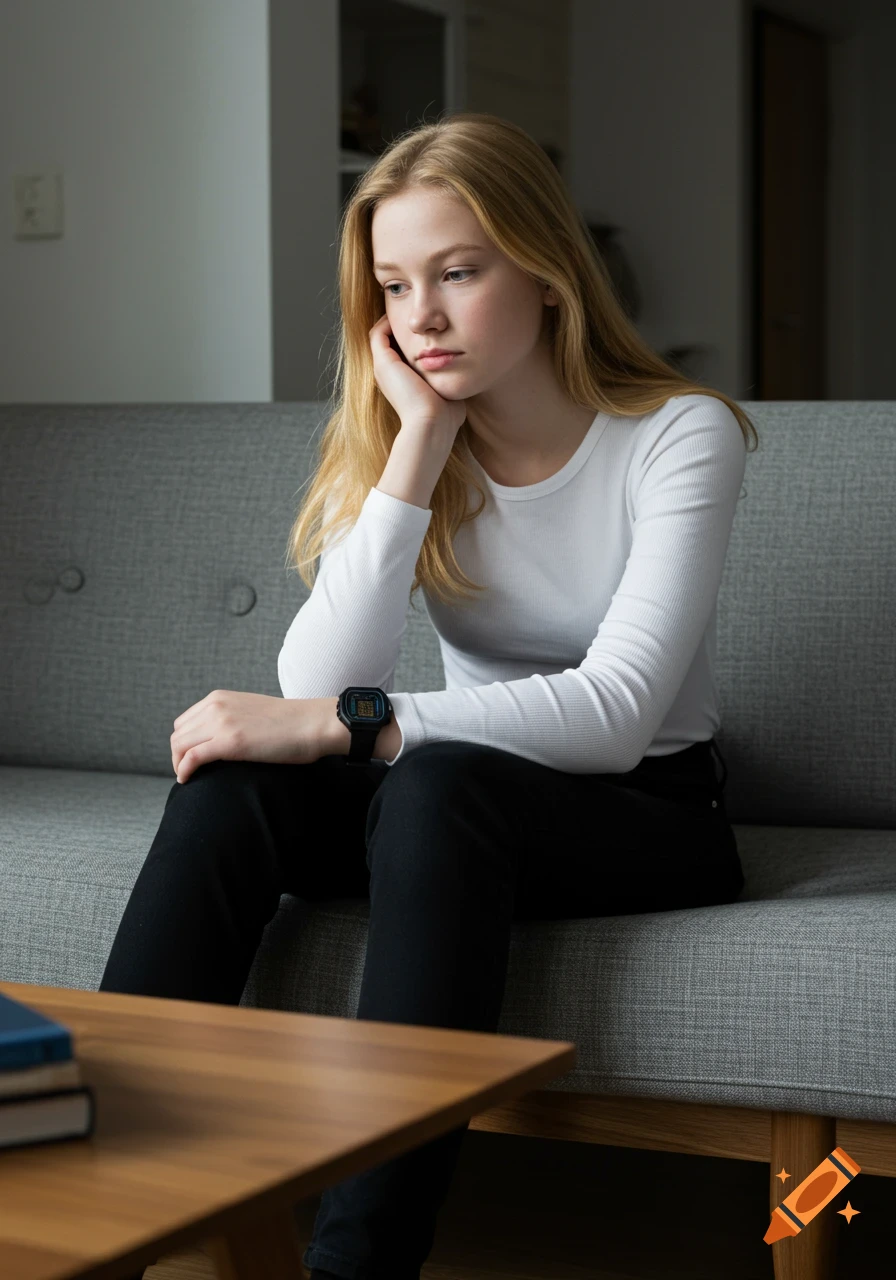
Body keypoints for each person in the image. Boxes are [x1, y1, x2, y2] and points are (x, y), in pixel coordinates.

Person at [101, 111, 759, 1280]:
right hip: (443, 813)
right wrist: (416, 446)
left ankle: (357, 1267)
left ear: (547, 273)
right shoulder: (414, 437)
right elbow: (315, 683)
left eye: (458, 272)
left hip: (646, 815)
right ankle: (92, 1205)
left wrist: (342, 726)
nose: (423, 316)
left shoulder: (675, 436)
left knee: (431, 778)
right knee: (240, 783)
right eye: (396, 286)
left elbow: (610, 713)